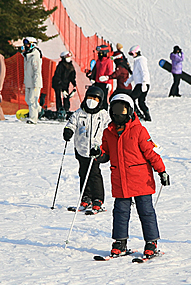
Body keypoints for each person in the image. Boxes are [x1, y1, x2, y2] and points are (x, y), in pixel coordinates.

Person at [93, 93, 169, 260]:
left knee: (146, 211)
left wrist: (161, 171)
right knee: (120, 212)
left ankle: (151, 243)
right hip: (120, 180)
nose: (117, 113)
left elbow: (151, 153)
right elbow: (105, 155)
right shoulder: (108, 132)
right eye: (115, 109)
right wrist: (98, 153)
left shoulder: (139, 130)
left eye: (122, 109)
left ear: (129, 111)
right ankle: (120, 242)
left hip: (141, 179)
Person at [63, 85, 109, 214]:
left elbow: (109, 128)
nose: (92, 100)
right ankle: (86, 197)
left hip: (95, 151)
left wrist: (104, 146)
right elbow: (71, 123)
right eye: (90, 97)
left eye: (95, 98)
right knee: (83, 173)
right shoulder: (79, 113)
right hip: (81, 149)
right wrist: (68, 131)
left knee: (94, 174)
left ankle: (98, 200)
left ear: (100, 101)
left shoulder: (103, 114)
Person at [127, 45, 152, 121]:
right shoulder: (137, 60)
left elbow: (144, 72)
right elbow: (135, 75)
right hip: (140, 84)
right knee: (141, 102)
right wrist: (127, 82)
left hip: (142, 84)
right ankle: (147, 117)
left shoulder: (141, 60)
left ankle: (139, 116)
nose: (132, 56)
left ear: (137, 52)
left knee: (131, 99)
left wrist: (144, 83)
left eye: (132, 54)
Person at [21, 36, 42, 123]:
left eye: (28, 45)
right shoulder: (27, 55)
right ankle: (39, 110)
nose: (26, 46)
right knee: (28, 99)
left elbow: (37, 70)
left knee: (32, 100)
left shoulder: (35, 55)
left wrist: (36, 83)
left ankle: (33, 118)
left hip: (35, 82)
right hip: (28, 82)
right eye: (25, 45)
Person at [52, 50, 78, 114]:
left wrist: (74, 83)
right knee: (59, 96)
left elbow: (72, 76)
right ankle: (59, 109)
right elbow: (57, 77)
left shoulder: (71, 66)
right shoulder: (60, 66)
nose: (68, 59)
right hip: (58, 84)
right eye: (67, 58)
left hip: (66, 84)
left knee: (66, 96)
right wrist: (61, 87)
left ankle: (66, 109)